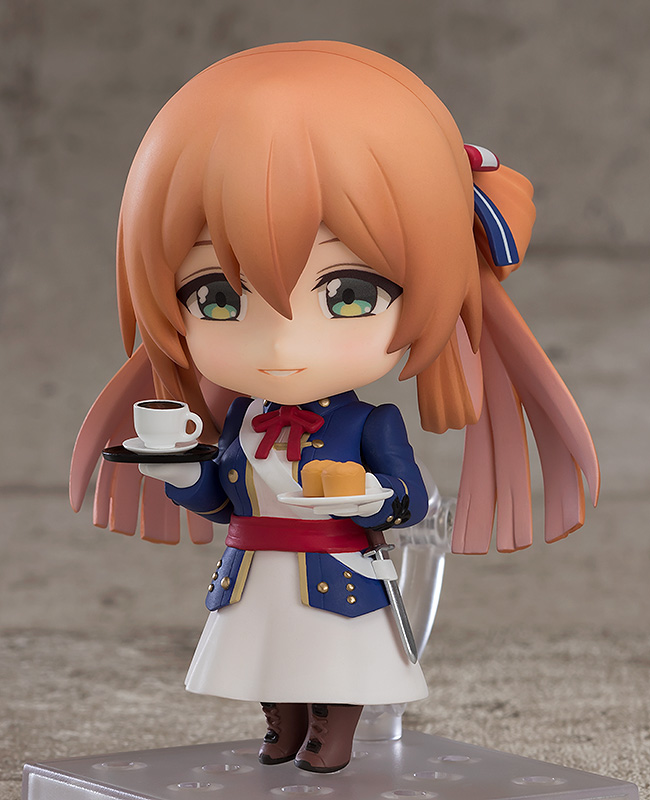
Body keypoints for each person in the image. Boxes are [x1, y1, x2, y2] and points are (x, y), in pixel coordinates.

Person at [70, 41, 599, 773]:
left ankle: (328, 734)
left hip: (339, 574)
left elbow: (411, 498)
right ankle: (281, 727)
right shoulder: (241, 420)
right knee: (263, 658)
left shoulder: (369, 422)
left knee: (334, 662)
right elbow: (222, 498)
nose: (282, 343)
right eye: (216, 297)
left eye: (348, 295)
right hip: (253, 570)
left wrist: (371, 497)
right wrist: (179, 473)